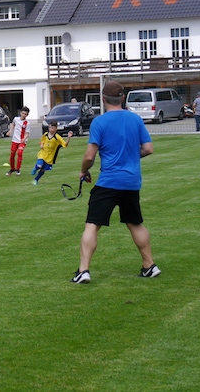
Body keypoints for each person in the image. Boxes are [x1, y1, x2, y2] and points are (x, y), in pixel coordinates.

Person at [72, 81, 159, 284]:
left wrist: (83, 171)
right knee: (135, 223)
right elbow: (148, 149)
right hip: (131, 182)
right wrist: (131, 155)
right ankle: (149, 266)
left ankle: (83, 270)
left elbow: (89, 155)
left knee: (92, 224)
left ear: (103, 99)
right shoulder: (135, 119)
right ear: (123, 98)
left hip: (109, 181)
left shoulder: (99, 122)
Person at [5, 106, 30, 176]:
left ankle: (18, 169)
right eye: (23, 113)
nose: (24, 115)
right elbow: (13, 124)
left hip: (22, 141)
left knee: (20, 153)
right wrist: (10, 131)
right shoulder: (16, 119)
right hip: (15, 140)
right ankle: (12, 169)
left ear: (27, 115)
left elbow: (27, 133)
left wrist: (24, 139)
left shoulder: (27, 123)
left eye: (25, 114)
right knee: (12, 155)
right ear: (20, 113)